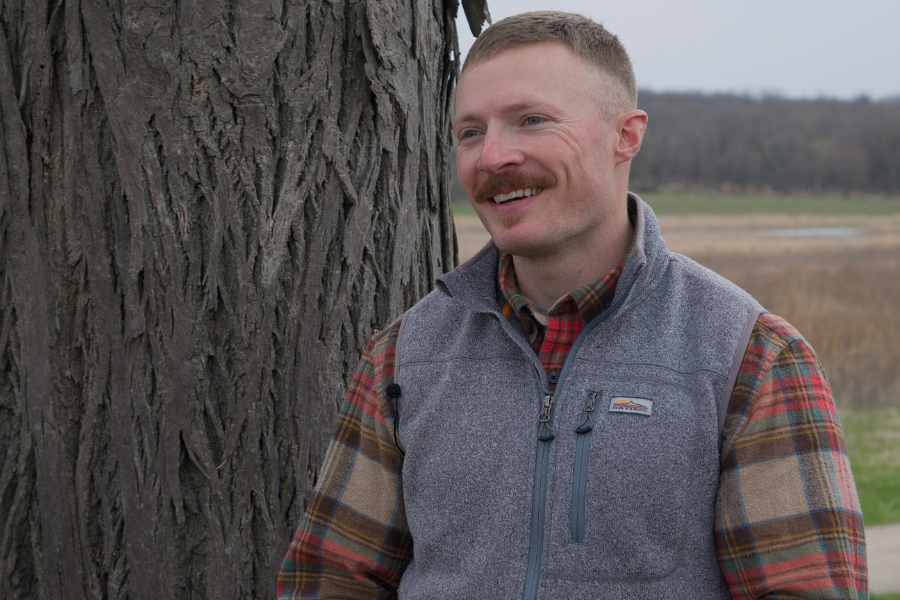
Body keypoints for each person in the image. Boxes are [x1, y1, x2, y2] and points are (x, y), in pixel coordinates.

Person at [278, 11, 866, 599]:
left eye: (531, 120)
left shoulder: (750, 356)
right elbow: (329, 581)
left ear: (626, 136)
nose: (492, 157)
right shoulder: (406, 355)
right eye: (470, 132)